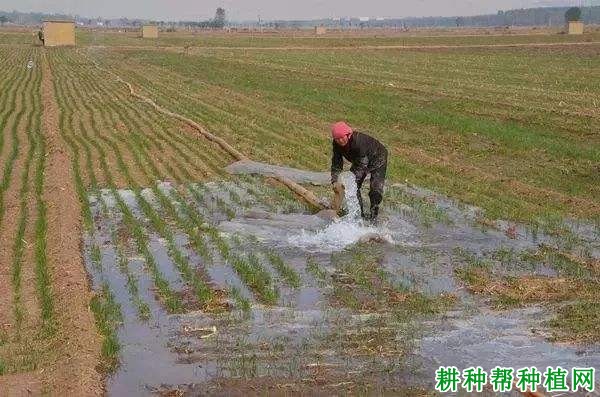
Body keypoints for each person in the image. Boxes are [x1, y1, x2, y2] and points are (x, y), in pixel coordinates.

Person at [330, 121, 388, 222]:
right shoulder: (336, 144)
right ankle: (359, 216)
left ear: (348, 135)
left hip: (378, 157)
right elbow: (336, 162)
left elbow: (362, 165)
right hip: (359, 160)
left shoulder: (358, 142)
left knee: (375, 189)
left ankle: (373, 216)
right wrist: (334, 180)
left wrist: (352, 180)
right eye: (337, 138)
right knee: (353, 187)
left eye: (342, 137)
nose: (340, 140)